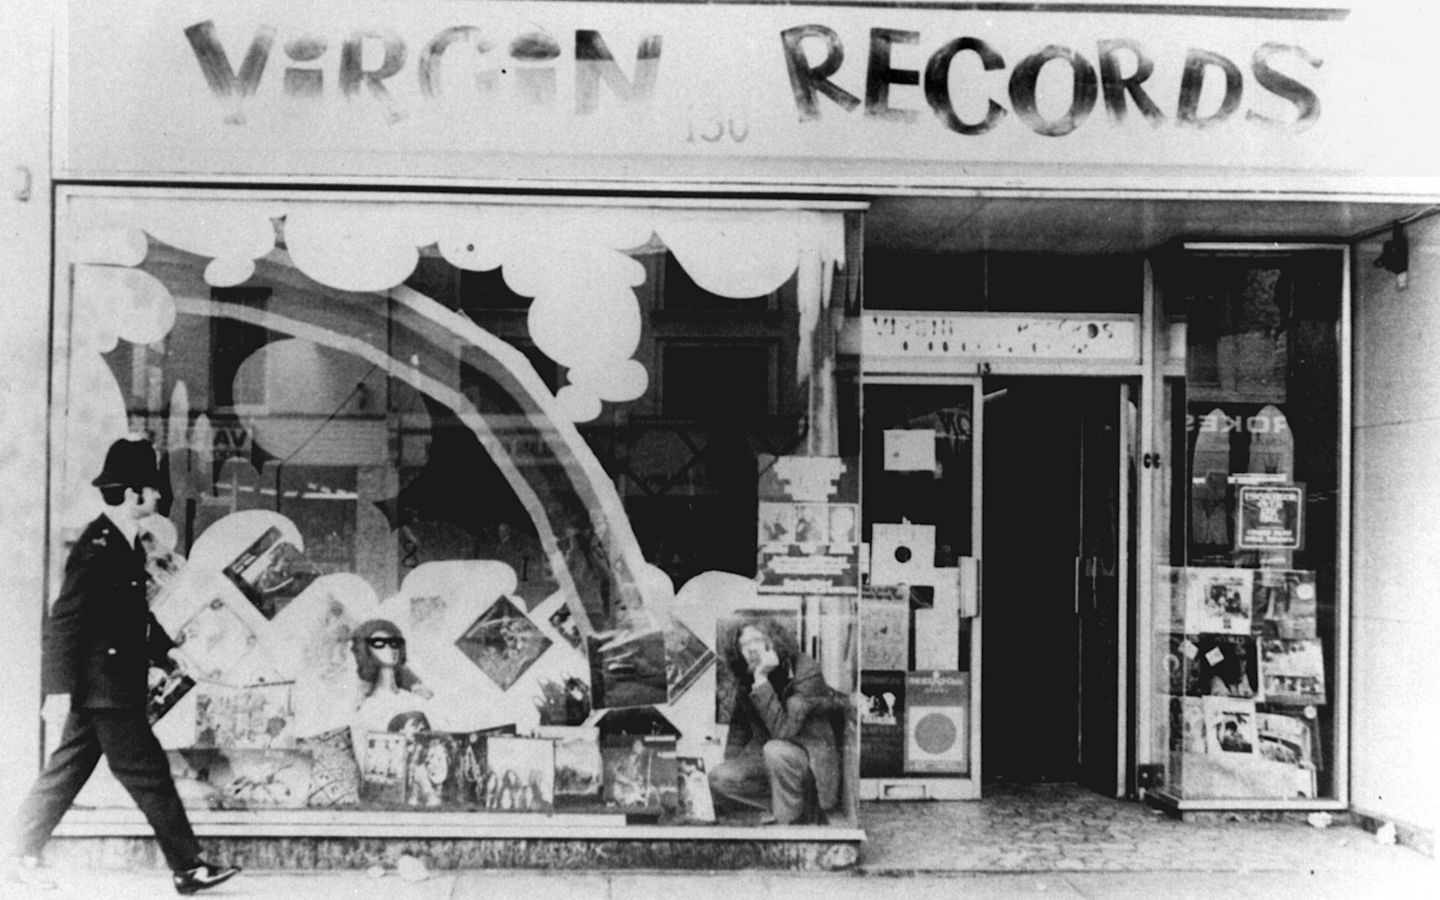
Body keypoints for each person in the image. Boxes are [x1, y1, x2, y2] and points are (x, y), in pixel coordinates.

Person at [7, 437, 240, 894]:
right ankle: (188, 868)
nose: (157, 497)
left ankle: (16, 851)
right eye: (152, 489)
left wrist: (169, 652)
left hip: (104, 688)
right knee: (150, 776)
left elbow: (134, 618)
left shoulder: (123, 542)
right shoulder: (98, 547)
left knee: (65, 773)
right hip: (107, 691)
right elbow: (65, 620)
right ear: (133, 493)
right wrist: (56, 691)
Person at [709, 617, 842, 825]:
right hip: (770, 760)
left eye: (757, 640)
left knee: (776, 749)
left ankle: (787, 823)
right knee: (719, 777)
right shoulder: (747, 675)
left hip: (808, 765)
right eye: (744, 644)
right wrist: (730, 762)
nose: (751, 648)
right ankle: (776, 809)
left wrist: (761, 678)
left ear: (774, 641)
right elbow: (740, 729)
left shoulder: (805, 669)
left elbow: (785, 732)